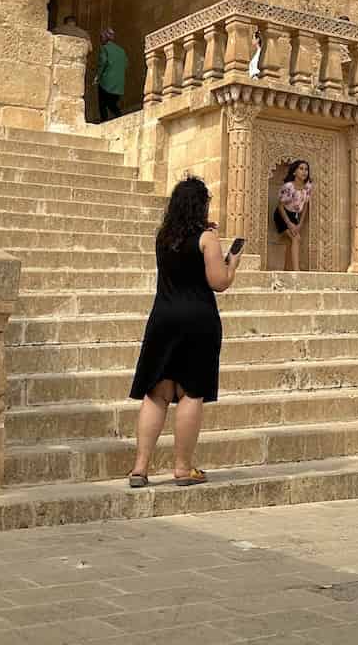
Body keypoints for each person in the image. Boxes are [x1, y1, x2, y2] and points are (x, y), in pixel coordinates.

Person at [127, 176, 241, 487]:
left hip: (163, 318)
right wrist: (232, 263)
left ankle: (140, 468)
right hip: (198, 320)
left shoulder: (162, 236)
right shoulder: (207, 239)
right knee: (192, 392)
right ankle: (182, 467)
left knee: (156, 393)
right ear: (202, 206)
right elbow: (218, 282)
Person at [273, 159, 314, 271]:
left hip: (294, 216)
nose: (304, 172)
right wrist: (289, 223)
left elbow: (305, 206)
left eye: (306, 169)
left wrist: (300, 224)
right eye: (301, 169)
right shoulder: (288, 187)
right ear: (295, 172)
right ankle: (297, 271)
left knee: (290, 242)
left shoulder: (308, 187)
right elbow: (280, 206)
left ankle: (286, 270)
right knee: (296, 238)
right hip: (282, 215)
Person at [95, 28, 126, 121]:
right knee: (112, 103)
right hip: (119, 83)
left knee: (103, 103)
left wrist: (98, 76)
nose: (100, 40)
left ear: (104, 37)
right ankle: (119, 117)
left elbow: (103, 62)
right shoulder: (121, 50)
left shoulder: (104, 48)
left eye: (101, 37)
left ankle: (105, 120)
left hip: (106, 81)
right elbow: (126, 63)